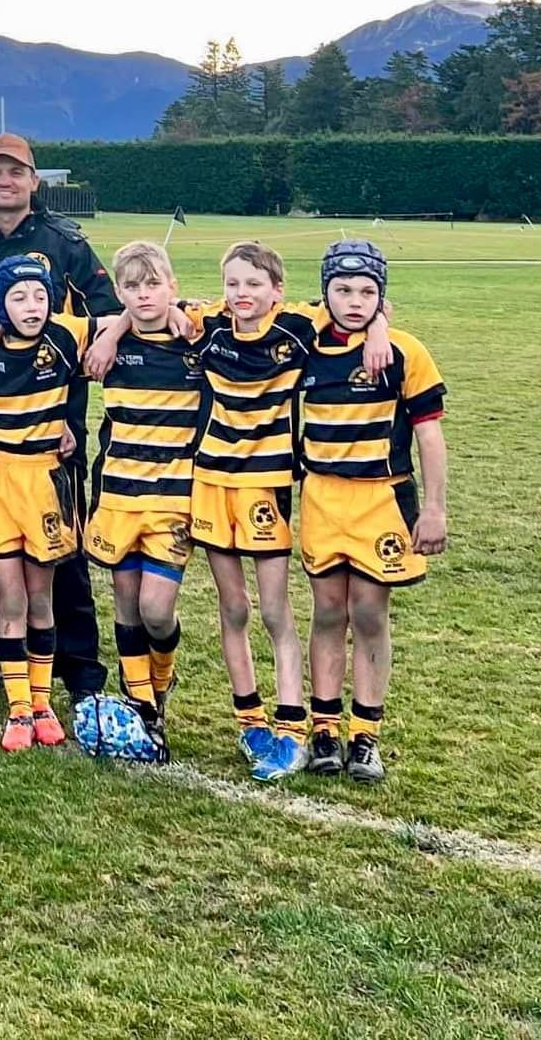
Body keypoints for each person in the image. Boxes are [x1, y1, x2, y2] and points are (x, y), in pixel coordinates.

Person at [183, 240, 389, 780]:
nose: (243, 294)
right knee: (232, 609)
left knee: (275, 611)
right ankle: (248, 718)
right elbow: (160, 309)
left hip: (266, 486)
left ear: (278, 291)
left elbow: (362, 309)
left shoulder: (299, 326)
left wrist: (382, 329)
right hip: (209, 483)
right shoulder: (207, 326)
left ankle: (293, 725)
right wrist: (112, 329)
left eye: (255, 284)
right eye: (233, 284)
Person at [0, 134, 119, 709]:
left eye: (16, 172)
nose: (5, 181)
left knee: (60, 555)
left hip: (51, 421)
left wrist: (97, 357)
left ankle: (81, 673)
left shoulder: (63, 241)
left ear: (34, 180)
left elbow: (111, 310)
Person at [297, 240, 447, 783]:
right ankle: (325, 730)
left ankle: (366, 735)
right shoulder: (304, 343)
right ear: (325, 293)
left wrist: (433, 509)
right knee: (328, 611)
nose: (354, 301)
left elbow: (430, 436)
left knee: (368, 612)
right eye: (343, 289)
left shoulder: (405, 352)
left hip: (382, 498)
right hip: (321, 496)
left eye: (368, 292)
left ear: (382, 295)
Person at [79, 241, 206, 759]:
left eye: (154, 284)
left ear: (173, 287)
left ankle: (162, 679)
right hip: (117, 494)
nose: (144, 294)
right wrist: (112, 329)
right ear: (118, 292)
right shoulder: (102, 337)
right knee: (127, 604)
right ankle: (144, 710)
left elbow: (255, 309)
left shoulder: (196, 335)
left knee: (157, 611)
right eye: (132, 286)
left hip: (173, 500)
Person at [0, 256, 84, 753]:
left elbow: (120, 317)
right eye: (18, 297)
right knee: (8, 598)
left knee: (40, 599)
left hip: (44, 480)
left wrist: (116, 334)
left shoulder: (67, 336)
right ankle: (16, 709)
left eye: (39, 296)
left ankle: (41, 701)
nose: (31, 306)